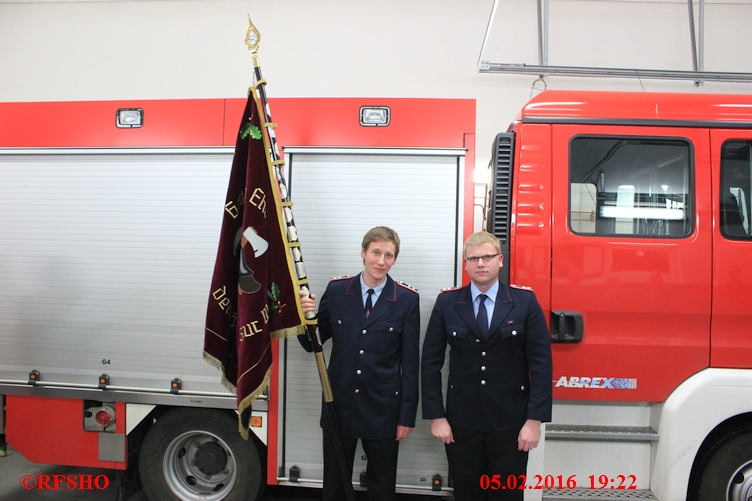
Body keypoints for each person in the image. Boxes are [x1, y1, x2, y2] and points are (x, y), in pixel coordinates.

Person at [421, 231, 552, 501]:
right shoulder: (447, 303)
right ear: (466, 263)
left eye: (487, 257)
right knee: (467, 494)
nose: (481, 264)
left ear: (500, 260)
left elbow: (541, 364)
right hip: (461, 424)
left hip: (511, 425)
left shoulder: (524, 302)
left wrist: (534, 420)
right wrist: (437, 416)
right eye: (474, 258)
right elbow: (430, 363)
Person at [298, 226, 420, 501]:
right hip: (339, 405)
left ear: (394, 260)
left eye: (389, 255)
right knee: (335, 481)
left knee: (382, 483)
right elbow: (312, 344)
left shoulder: (406, 299)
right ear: (363, 253)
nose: (381, 261)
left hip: (384, 410)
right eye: (376, 252)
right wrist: (305, 317)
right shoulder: (339, 290)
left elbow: (411, 365)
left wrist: (405, 416)